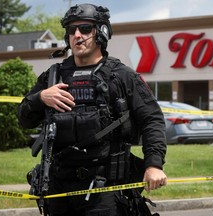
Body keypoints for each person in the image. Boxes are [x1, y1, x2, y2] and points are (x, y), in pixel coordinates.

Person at [17, 3, 167, 216]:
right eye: (72, 30)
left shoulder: (122, 76)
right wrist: (40, 98)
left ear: (102, 33)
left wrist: (154, 164)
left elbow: (152, 120)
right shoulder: (53, 77)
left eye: (85, 29)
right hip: (59, 189)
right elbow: (24, 119)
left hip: (105, 189)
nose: (77, 35)